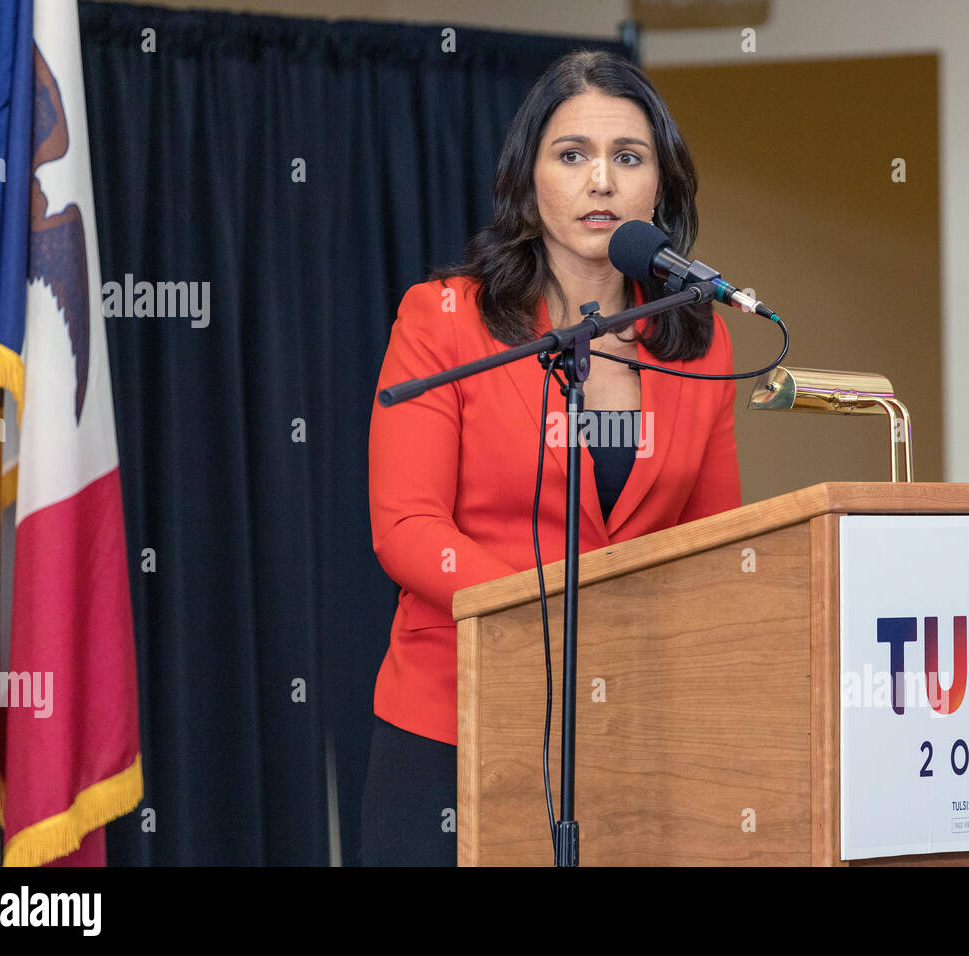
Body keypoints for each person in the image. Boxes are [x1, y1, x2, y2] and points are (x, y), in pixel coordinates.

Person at [362, 49, 741, 866]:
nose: (600, 181)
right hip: (453, 721)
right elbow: (405, 526)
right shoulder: (444, 320)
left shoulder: (701, 340)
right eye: (572, 155)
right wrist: (560, 610)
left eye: (628, 158)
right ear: (527, 180)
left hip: (634, 724)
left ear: (661, 188)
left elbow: (715, 546)